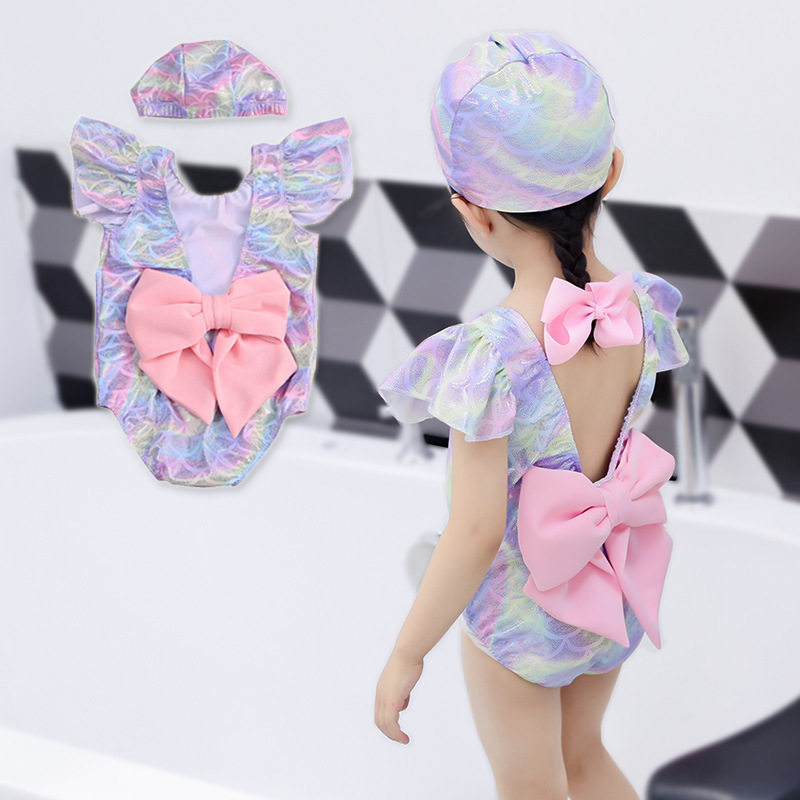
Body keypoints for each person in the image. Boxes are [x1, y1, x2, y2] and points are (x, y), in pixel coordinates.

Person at [373, 30, 690, 800]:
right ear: (611, 172)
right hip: (607, 590)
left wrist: (407, 652)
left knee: (532, 789)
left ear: (473, 214)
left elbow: (476, 530)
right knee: (585, 760)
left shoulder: (491, 357)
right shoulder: (643, 310)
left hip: (521, 620)